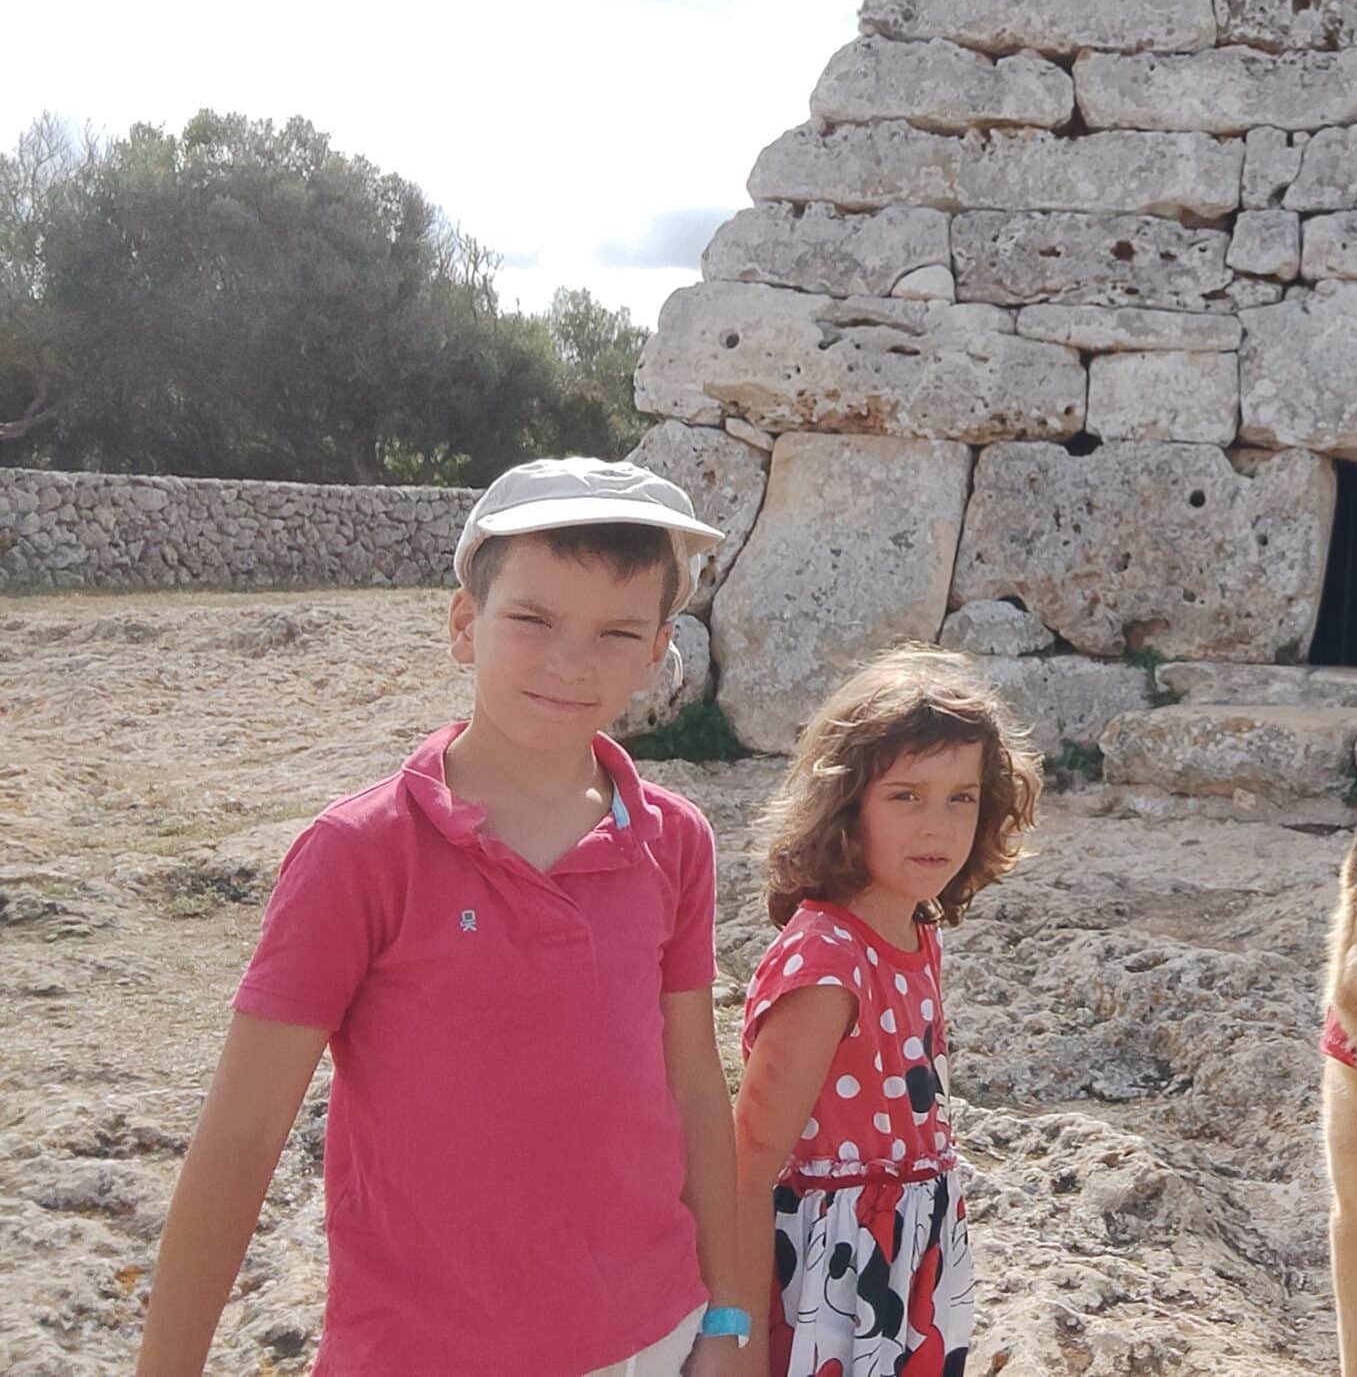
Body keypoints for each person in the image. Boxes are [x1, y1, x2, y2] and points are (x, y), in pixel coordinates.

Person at [136, 458, 759, 1376]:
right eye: (533, 620)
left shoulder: (677, 841)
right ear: (465, 624)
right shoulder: (360, 853)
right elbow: (240, 1138)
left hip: (655, 1337)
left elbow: (698, 1094)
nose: (570, 663)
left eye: (617, 632)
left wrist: (731, 1324)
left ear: (661, 648)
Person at [730, 646, 1040, 1377]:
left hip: (909, 1265)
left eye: (961, 796)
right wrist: (734, 1336)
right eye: (906, 795)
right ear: (843, 804)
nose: (937, 825)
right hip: (826, 1291)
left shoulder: (914, 930)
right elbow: (746, 1168)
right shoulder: (828, 965)